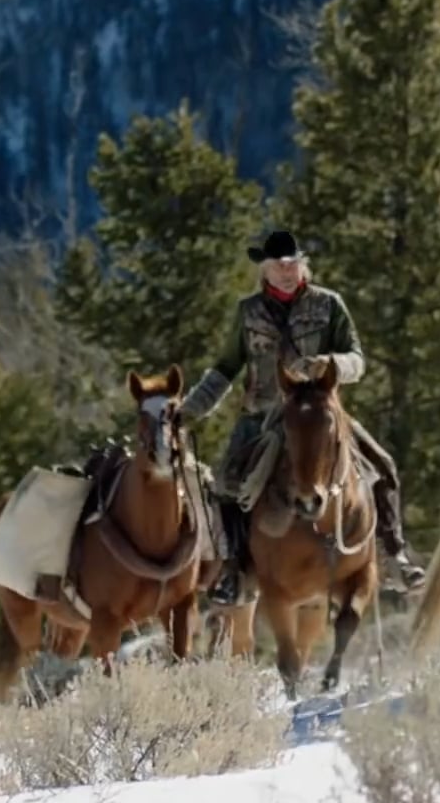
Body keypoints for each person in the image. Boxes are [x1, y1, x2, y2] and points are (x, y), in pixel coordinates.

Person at [180, 230, 426, 605]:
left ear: (302, 266)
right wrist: (189, 410)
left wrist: (333, 363)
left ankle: (395, 557)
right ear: (265, 269)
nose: (286, 272)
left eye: (292, 264)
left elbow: (357, 359)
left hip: (320, 416)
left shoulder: (329, 305)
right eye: (279, 266)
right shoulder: (248, 312)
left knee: (383, 466)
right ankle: (235, 571)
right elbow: (225, 369)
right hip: (261, 417)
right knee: (227, 483)